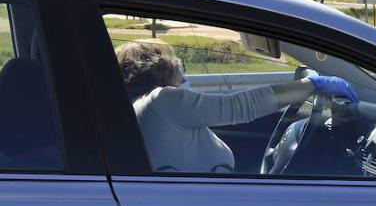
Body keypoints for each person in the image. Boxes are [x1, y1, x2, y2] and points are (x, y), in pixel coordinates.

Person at [116, 40, 358, 173]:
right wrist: (311, 85)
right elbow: (240, 106)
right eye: (179, 68)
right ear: (162, 70)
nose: (183, 76)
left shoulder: (140, 106)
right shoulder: (162, 100)